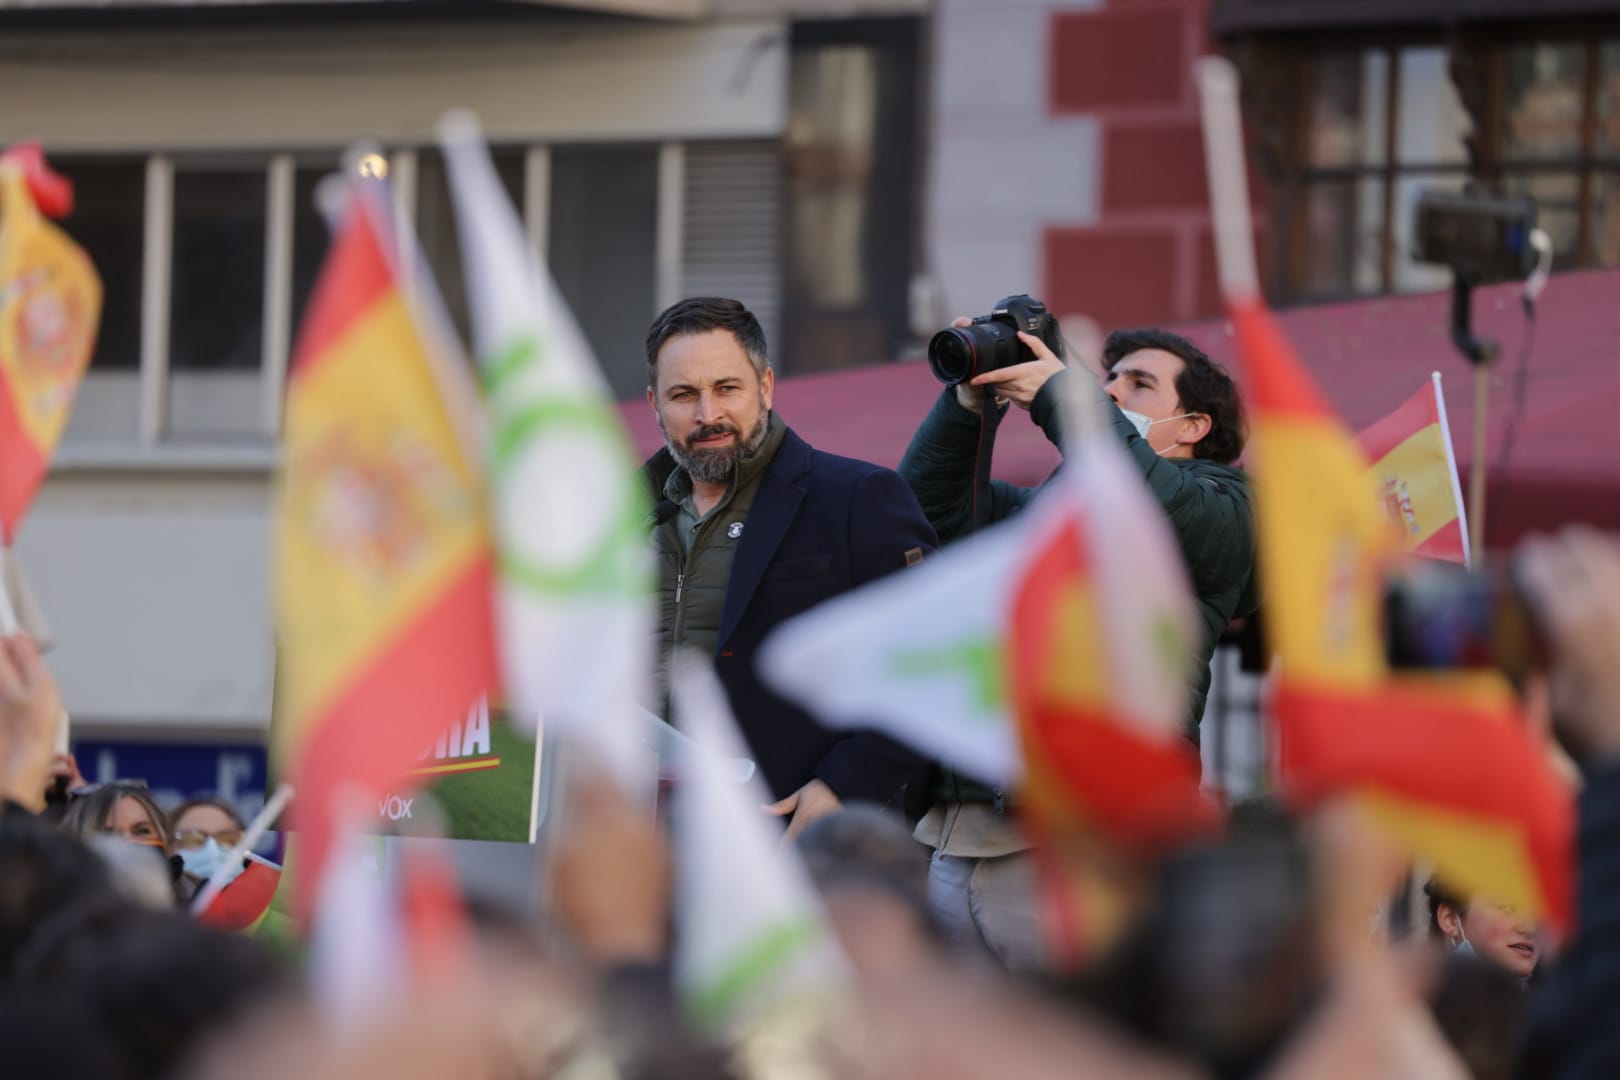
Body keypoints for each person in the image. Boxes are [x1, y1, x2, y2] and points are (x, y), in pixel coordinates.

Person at [899, 321, 1258, 969]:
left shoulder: (1228, 506)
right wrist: (967, 404)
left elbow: (1151, 506)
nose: (1111, 391)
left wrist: (1064, 398)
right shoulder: (1046, 509)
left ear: (1193, 427)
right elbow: (925, 511)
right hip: (962, 833)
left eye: (1139, 384)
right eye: (1107, 378)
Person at [642, 297, 938, 837]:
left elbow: (929, 665)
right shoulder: (616, 517)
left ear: (767, 386)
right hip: (641, 841)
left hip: (793, 842)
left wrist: (843, 787)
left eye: (726, 388)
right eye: (684, 394)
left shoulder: (857, 498)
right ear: (655, 404)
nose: (708, 415)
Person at [1423, 877, 1540, 981]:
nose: (1530, 928)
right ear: (1451, 920)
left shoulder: (1546, 1002)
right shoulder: (1412, 1002)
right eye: (1507, 908)